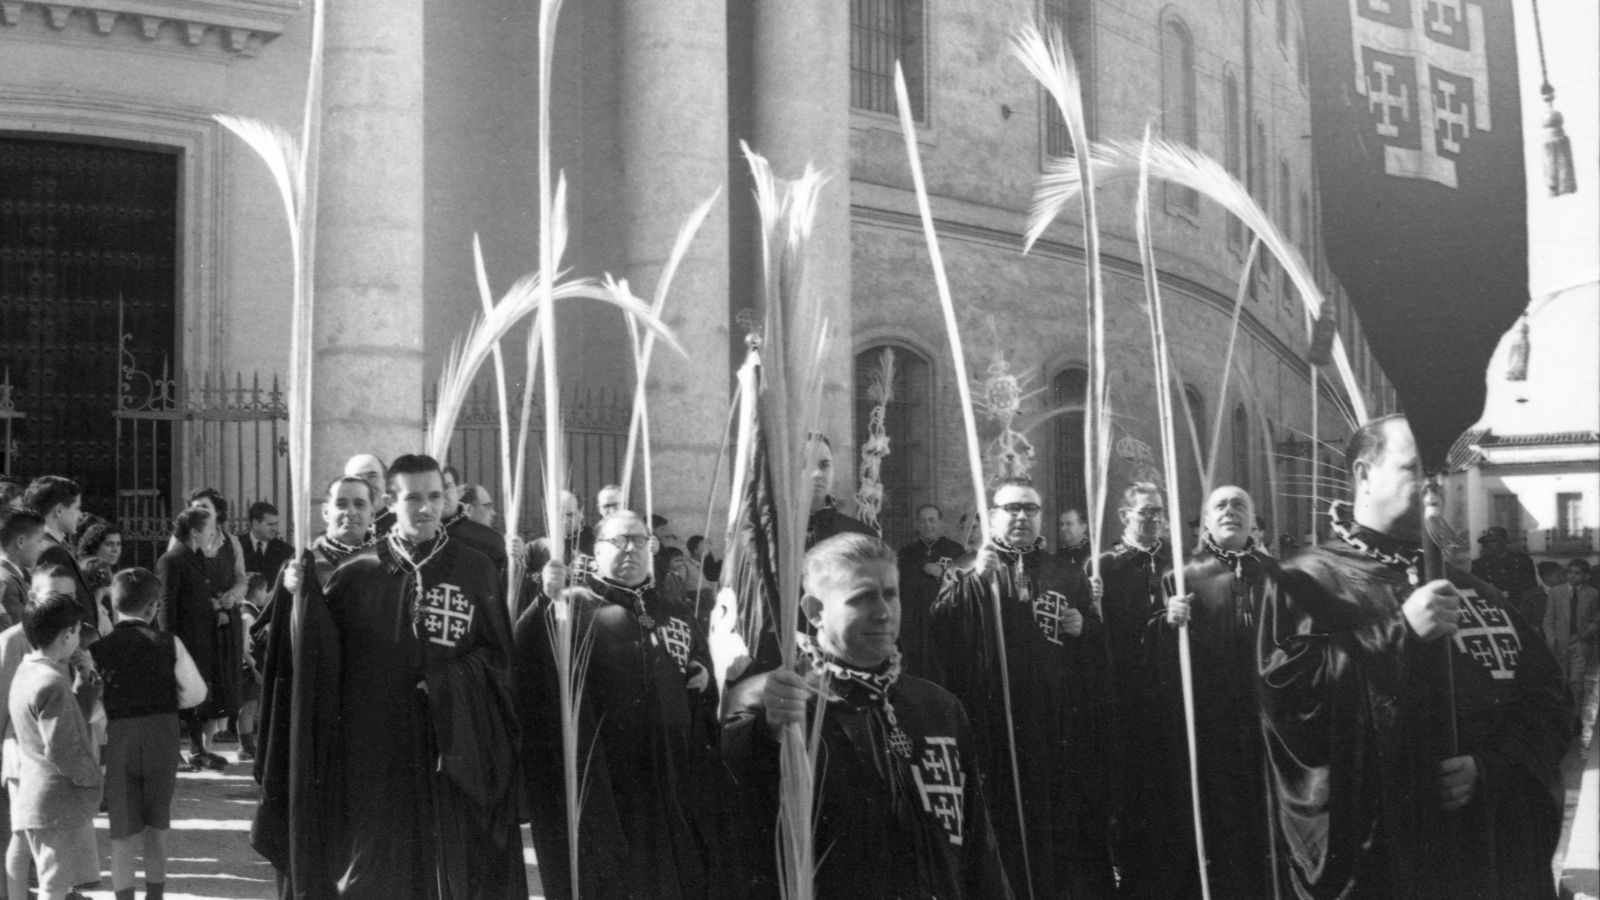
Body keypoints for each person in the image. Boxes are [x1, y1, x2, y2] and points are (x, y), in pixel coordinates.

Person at [1267, 414, 1569, 898]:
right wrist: (1400, 632)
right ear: (1364, 475)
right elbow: (1293, 710)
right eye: (1415, 469)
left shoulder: (1476, 589)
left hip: (1479, 850)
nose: (1436, 486)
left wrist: (1489, 766)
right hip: (1384, 855)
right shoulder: (1301, 582)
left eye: (1442, 473)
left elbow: (1548, 702)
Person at [723, 533, 1012, 899]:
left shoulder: (938, 706)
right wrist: (765, 733)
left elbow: (977, 842)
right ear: (815, 611)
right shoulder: (771, 699)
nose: (884, 612)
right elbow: (734, 811)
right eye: (861, 598)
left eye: (890, 594)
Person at [318, 454, 523, 897]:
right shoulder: (355, 575)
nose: (426, 508)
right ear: (390, 500)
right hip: (379, 748)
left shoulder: (474, 567)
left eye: (435, 495)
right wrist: (294, 595)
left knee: (454, 862)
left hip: (453, 741)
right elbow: (318, 663)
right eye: (413, 498)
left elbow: (500, 658)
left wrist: (449, 682)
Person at [517, 509, 721, 900]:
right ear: (596, 551)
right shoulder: (571, 606)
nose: (630, 548)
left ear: (652, 546)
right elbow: (527, 660)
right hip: (607, 773)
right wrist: (544, 599)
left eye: (639, 540)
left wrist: (702, 671)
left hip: (670, 768)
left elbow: (695, 657)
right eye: (618, 541)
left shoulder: (672, 608)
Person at [929, 477, 1113, 898]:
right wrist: (976, 582)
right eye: (1011, 508)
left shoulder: (1065, 571)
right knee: (998, 815)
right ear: (992, 515)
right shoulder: (965, 567)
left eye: (1030, 509)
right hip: (992, 716)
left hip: (1053, 722)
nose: (1021, 517)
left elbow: (1096, 643)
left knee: (1053, 818)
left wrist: (1084, 626)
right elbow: (939, 631)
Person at [1133, 485, 1280, 898]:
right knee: (1214, 814)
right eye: (1220, 505)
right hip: (1207, 718)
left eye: (1240, 504)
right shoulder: (1181, 575)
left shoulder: (1277, 573)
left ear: (1253, 519)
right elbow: (1151, 657)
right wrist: (1167, 622)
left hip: (1267, 716)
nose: (1230, 511)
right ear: (1206, 520)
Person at [249, 473, 376, 893]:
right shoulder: (302, 566)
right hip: (314, 723)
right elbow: (271, 652)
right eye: (341, 503)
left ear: (374, 511)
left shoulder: (388, 565)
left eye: (360, 504)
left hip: (366, 722)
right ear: (325, 512)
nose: (350, 512)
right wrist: (290, 601)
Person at [89, 567, 207, 900]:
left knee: (122, 834)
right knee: (156, 828)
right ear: (154, 607)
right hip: (162, 733)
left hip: (120, 736)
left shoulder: (100, 649)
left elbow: (93, 705)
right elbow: (196, 693)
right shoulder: (170, 643)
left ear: (114, 603)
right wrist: (168, 699)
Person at [1094, 481, 1172, 881]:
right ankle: (1129, 863)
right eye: (1146, 512)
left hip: (1170, 688)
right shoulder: (1105, 565)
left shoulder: (1177, 562)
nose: (1154, 519)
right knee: (1128, 778)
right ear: (1125, 516)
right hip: (1125, 688)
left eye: (1159, 511)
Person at [7, 591, 101, 900]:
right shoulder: (52, 681)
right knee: (55, 883)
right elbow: (64, 750)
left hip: (31, 792)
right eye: (76, 630)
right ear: (67, 634)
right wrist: (91, 779)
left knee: (33, 869)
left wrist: (83, 685)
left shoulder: (27, 671)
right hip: (55, 801)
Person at [156, 508, 230, 771]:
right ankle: (172, 752)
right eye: (209, 530)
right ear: (195, 532)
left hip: (200, 639)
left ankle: (198, 750)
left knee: (196, 696)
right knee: (176, 698)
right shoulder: (172, 560)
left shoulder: (196, 558)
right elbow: (166, 604)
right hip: (183, 640)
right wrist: (168, 642)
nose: (213, 535)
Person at [22, 477, 96, 643]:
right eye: (77, 508)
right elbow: (58, 611)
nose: (80, 514)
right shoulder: (50, 550)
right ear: (60, 510)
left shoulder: (52, 545)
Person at [895, 503, 964, 676]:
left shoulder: (956, 551)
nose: (928, 525)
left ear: (941, 523)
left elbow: (967, 588)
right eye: (923, 521)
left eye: (932, 520)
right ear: (918, 524)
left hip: (944, 624)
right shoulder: (906, 554)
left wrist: (943, 574)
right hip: (913, 627)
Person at [1546, 558, 1599, 747]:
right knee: (1561, 679)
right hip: (1561, 642)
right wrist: (1551, 640)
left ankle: (1576, 717)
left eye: (1577, 573)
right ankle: (1561, 717)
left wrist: (1590, 629)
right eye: (1570, 572)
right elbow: (1549, 618)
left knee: (1577, 681)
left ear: (1585, 576)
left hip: (1580, 642)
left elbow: (1597, 616)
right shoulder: (1556, 592)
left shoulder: (1593, 594)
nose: (1572, 576)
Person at [519, 490, 596, 619]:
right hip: (546, 619)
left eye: (570, 515)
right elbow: (522, 588)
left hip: (586, 620)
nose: (565, 521)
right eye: (559, 516)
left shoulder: (596, 544)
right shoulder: (535, 548)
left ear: (580, 514)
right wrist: (546, 577)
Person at [803, 433, 872, 548]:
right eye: (807, 465)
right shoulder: (770, 533)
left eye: (825, 465)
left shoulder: (860, 536)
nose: (817, 474)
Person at [235, 573, 269, 763]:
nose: (267, 594)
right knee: (248, 707)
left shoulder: (251, 611)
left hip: (251, 666)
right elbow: (245, 647)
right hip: (250, 668)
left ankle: (248, 745)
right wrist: (255, 669)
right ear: (256, 591)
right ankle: (246, 746)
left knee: (252, 705)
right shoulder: (248, 614)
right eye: (265, 589)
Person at [0, 511, 46, 628]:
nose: (42, 548)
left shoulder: (13, 576)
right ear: (21, 541)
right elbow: (23, 633)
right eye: (39, 541)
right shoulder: (7, 582)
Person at [77, 521, 123, 636]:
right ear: (94, 546)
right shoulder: (87, 571)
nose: (115, 549)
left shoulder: (106, 571)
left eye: (118, 544)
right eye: (109, 544)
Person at [1470, 525, 1538, 597]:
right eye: (1487, 542)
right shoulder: (1479, 564)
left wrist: (1511, 593)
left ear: (1503, 542)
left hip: (1518, 602)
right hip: (1491, 603)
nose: (1489, 544)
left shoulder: (1522, 561)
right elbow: (1475, 587)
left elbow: (1531, 587)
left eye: (1493, 541)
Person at [240, 502, 294, 582]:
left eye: (276, 524)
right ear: (255, 524)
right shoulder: (235, 545)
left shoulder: (286, 551)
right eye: (270, 524)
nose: (275, 529)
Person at [344, 453, 391, 537]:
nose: (366, 484)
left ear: (386, 482)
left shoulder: (405, 529)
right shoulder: (335, 536)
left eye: (372, 476)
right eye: (357, 478)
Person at [1522, 561, 1565, 652]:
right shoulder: (1530, 596)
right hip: (1540, 639)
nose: (1563, 579)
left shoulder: (1567, 593)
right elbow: (1523, 620)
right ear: (1547, 577)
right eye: (1559, 575)